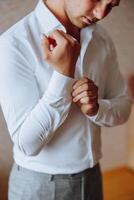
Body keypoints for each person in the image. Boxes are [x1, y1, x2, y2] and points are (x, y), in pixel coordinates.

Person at [0, 0, 132, 199]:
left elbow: (123, 107)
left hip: (93, 177)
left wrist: (96, 109)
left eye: (111, 5)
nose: (101, 13)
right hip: (40, 186)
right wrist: (63, 76)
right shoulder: (14, 43)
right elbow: (27, 144)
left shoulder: (101, 37)